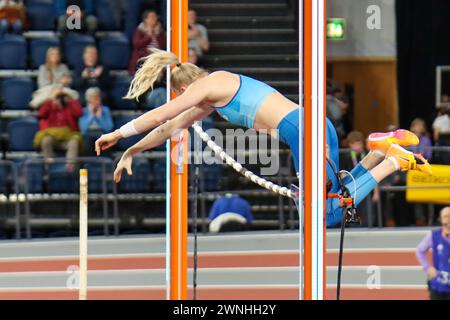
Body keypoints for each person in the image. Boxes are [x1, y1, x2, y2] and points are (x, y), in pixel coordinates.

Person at [94, 49, 432, 227]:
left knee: (324, 215)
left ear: (183, 88)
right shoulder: (211, 99)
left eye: (180, 95)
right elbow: (169, 129)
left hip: (302, 130)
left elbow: (162, 115)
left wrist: (117, 133)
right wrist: (132, 150)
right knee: (336, 195)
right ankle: (378, 150)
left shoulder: (209, 84)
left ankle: (391, 161)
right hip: (312, 126)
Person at [34, 86, 83, 172]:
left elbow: (79, 113)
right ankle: (49, 167)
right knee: (46, 140)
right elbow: (41, 114)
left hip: (68, 137)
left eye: (60, 94)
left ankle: (70, 167)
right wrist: (52, 102)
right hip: (53, 137)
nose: (59, 97)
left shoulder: (70, 104)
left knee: (74, 142)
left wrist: (69, 101)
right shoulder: (49, 104)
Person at [416, 207, 450, 300]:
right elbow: (420, 251)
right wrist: (427, 267)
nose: (448, 219)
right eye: (445, 217)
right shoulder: (433, 235)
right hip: (438, 286)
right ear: (441, 219)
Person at [128, 10, 166, 75]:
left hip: (157, 59)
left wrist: (158, 35)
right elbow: (137, 45)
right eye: (151, 17)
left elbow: (163, 46)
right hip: (143, 59)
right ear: (145, 20)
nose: (154, 18)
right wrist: (148, 36)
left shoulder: (159, 30)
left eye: (155, 16)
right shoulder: (140, 30)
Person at [79, 87, 113, 156]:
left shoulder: (105, 110)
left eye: (97, 97)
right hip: (88, 134)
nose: (96, 100)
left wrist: (99, 117)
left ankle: (105, 165)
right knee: (87, 143)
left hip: (102, 133)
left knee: (105, 142)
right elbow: (83, 129)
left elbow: (109, 128)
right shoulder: (83, 111)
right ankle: (88, 165)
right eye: (93, 98)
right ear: (88, 99)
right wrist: (91, 115)